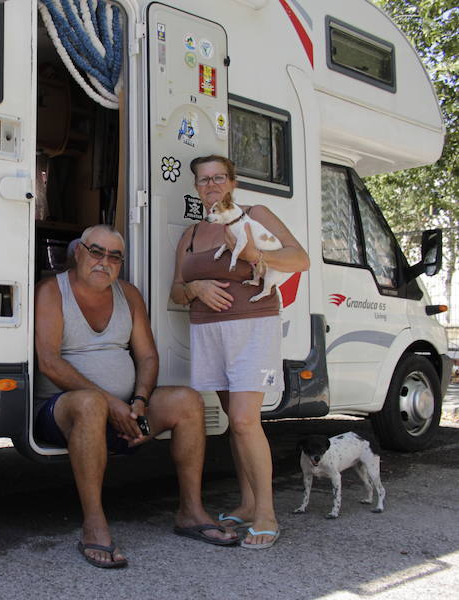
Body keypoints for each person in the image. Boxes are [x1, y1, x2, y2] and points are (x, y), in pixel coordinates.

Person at [34, 224, 237, 569]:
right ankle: (94, 523)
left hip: (126, 410)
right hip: (63, 410)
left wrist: (139, 401)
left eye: (115, 256)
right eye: (96, 252)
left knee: (187, 400)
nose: (105, 262)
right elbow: (50, 362)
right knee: (90, 403)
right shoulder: (53, 290)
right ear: (79, 253)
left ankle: (190, 511)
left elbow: (147, 357)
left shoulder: (127, 294)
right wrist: (111, 402)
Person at [170, 155, 310, 549]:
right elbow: (175, 291)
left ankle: (266, 513)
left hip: (253, 327)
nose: (210, 185)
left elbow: (300, 259)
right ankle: (248, 503)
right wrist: (195, 290)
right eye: (203, 180)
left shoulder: (255, 213)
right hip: (209, 332)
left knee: (247, 420)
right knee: (237, 421)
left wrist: (253, 256)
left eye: (218, 178)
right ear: (196, 187)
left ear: (231, 182)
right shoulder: (192, 234)